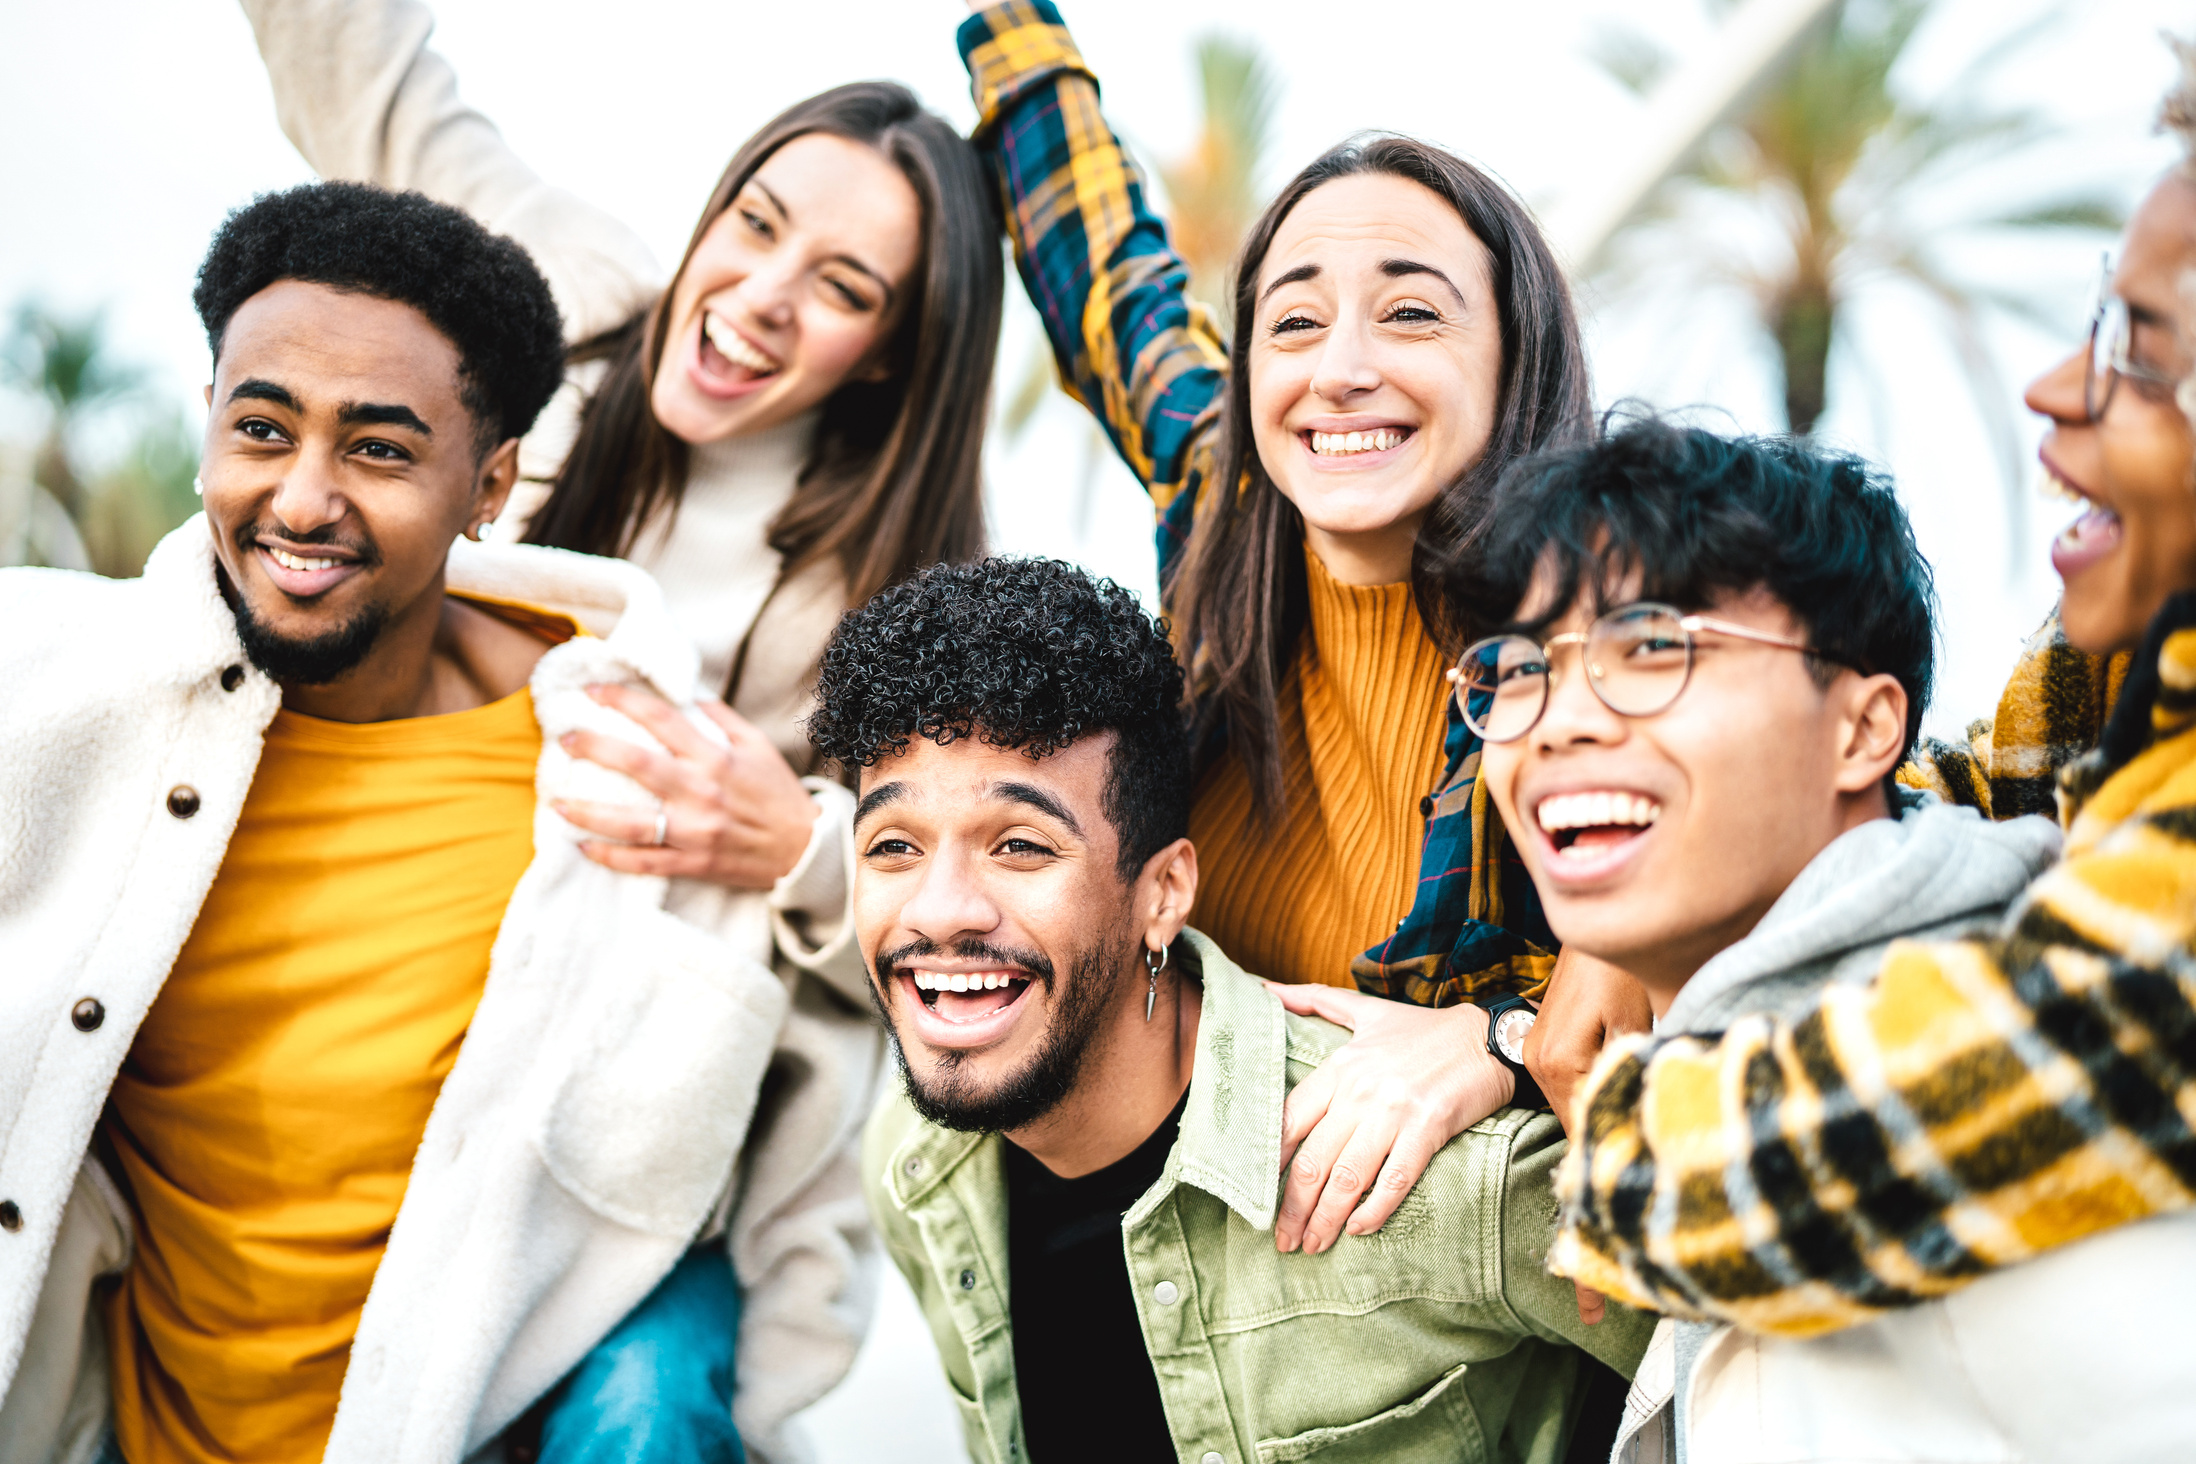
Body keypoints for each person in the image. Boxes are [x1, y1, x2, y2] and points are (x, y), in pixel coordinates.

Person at [0, 184, 871, 1464]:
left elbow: (920, 997)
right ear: (206, 431)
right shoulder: (50, 686)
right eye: (262, 428)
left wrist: (808, 849)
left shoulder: (634, 772)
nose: (302, 499)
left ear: (490, 484)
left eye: (380, 449)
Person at [1543, 39, 2196, 1386]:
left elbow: (2023, 1062)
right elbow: (1942, 798)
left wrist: (1599, 1125)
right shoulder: (2116, 705)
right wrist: (1661, 881)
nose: (2059, 389)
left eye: (2144, 356)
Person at [954, 0, 1634, 1268]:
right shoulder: (1223, 500)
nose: (1342, 369)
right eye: (1297, 320)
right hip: (1178, 1237)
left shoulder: (1599, 639)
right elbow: (1102, 262)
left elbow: (1802, 869)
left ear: (1515, 355)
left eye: (1414, 315)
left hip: (1455, 1297)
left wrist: (1497, 1039)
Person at [240, 0, 1006, 987]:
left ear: (890, 358)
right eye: (755, 223)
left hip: (563, 1029)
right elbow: (369, 81)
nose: (762, 295)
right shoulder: (569, 290)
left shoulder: (902, 599)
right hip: (329, 875)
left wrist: (805, 852)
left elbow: (977, 936)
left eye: (843, 289)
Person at [820, 556, 1652, 1464]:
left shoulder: (1436, 1179)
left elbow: (1781, 1372)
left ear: (1164, 892)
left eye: (1020, 846)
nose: (940, 910)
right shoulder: (913, 1165)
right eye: (893, 846)